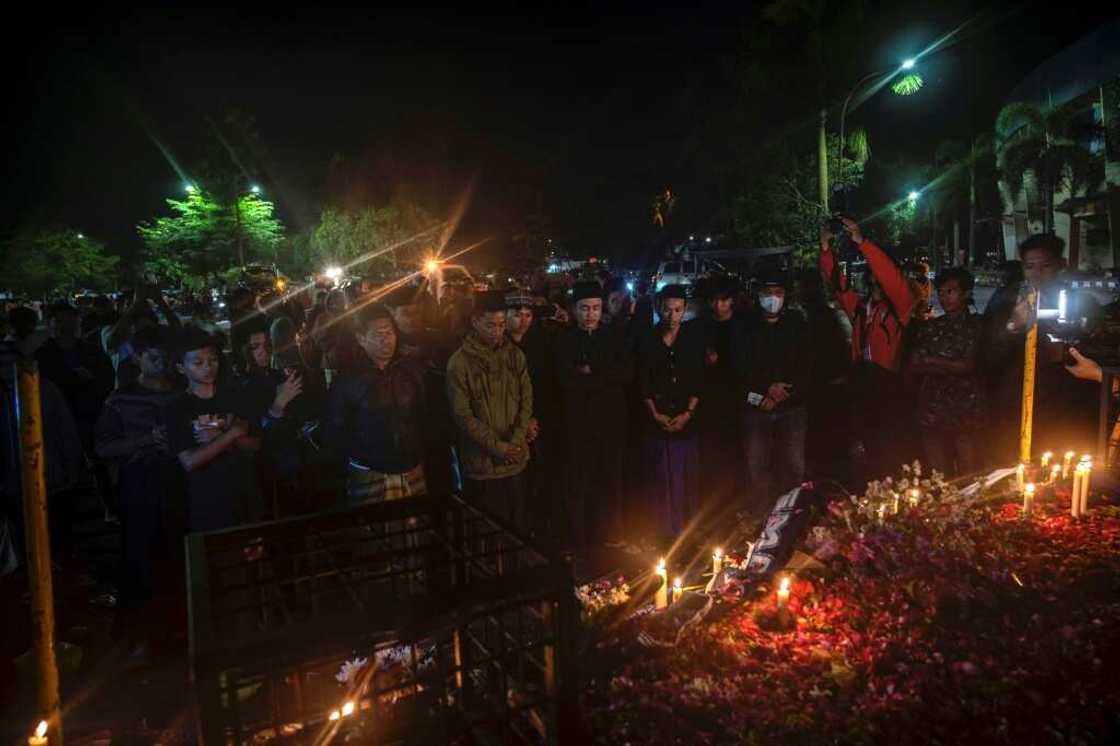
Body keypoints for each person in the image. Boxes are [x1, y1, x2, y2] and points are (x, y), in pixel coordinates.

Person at [94, 326, 181, 665]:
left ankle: (178, 630)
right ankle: (142, 637)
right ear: (136, 357)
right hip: (139, 488)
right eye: (153, 358)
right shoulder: (120, 400)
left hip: (178, 485)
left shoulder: (183, 392)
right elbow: (103, 447)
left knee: (176, 556)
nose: (161, 365)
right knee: (141, 560)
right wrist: (145, 440)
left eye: (166, 358)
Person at [983, 234, 1101, 459]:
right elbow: (987, 350)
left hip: (1065, 404)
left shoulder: (1081, 301)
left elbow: (1096, 348)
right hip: (1015, 403)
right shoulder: (1007, 300)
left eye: (1045, 266)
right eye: (1030, 267)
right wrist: (1013, 325)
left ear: (1061, 265)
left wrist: (1083, 332)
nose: (1037, 274)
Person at [820, 217, 917, 477]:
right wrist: (827, 249)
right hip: (863, 382)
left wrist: (862, 242)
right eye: (872, 277)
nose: (874, 280)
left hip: (889, 386)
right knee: (867, 446)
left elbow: (892, 279)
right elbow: (839, 287)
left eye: (878, 277)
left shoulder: (902, 307)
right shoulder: (863, 309)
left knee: (892, 448)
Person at [554, 281, 633, 553]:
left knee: (611, 481)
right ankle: (579, 540)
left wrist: (591, 372)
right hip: (578, 425)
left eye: (596, 308)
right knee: (579, 483)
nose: (591, 314)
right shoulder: (564, 339)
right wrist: (601, 376)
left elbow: (626, 373)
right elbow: (566, 380)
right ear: (574, 310)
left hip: (611, 423)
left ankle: (612, 535)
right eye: (585, 308)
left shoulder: (615, 336)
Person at [446, 291, 533, 534]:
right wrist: (498, 447)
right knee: (492, 531)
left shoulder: (515, 355)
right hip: (482, 463)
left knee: (520, 528)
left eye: (502, 324)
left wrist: (515, 441)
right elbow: (462, 415)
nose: (497, 331)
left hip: (515, 457)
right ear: (475, 322)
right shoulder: (459, 362)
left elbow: (526, 399)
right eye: (490, 325)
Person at [324, 305, 429, 503]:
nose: (386, 340)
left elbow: (422, 414)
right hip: (370, 471)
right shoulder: (349, 381)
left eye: (389, 332)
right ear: (361, 339)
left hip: (411, 466)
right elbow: (335, 430)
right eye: (378, 334)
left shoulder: (409, 371)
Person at [164, 326, 261, 533]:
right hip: (206, 498)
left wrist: (221, 438)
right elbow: (189, 460)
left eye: (213, 360)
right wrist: (232, 434)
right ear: (181, 367)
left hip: (243, 490)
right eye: (198, 363)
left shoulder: (234, 395)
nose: (208, 368)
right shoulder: (176, 407)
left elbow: (254, 444)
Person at [735, 268, 813, 513]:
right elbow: (739, 367)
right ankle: (761, 520)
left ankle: (790, 516)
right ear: (759, 295)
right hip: (757, 408)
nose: (773, 298)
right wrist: (764, 391)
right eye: (768, 293)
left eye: (778, 292)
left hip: (792, 408)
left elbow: (807, 364)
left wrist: (784, 391)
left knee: (793, 466)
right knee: (756, 465)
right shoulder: (745, 327)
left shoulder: (797, 325)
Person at [637, 284, 702, 542]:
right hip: (657, 420)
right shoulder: (647, 340)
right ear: (658, 309)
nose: (672, 315)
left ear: (684, 310)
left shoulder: (692, 340)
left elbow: (699, 379)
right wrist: (655, 414)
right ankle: (663, 533)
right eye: (667, 310)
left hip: (687, 421)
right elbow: (644, 383)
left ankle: (689, 532)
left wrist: (688, 413)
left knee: (687, 479)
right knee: (660, 480)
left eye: (677, 310)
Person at [908, 268, 987, 476]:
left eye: (950, 292)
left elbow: (967, 365)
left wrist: (932, 360)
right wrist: (950, 363)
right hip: (933, 409)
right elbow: (916, 364)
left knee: (968, 471)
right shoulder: (932, 327)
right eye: (941, 293)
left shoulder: (977, 325)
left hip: (965, 410)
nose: (944, 298)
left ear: (966, 293)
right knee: (938, 474)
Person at [795, 268, 852, 482]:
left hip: (821, 388)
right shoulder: (830, 316)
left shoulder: (808, 318)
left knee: (822, 444)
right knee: (833, 445)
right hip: (829, 387)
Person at [506, 289, 553, 540]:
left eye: (527, 315)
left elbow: (544, 385)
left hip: (537, 424)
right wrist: (521, 423)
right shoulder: (500, 347)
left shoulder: (539, 344)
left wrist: (535, 420)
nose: (523, 320)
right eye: (517, 314)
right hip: (511, 426)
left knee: (540, 480)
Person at [696, 276, 745, 514]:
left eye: (724, 300)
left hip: (736, 401)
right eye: (715, 300)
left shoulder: (743, 326)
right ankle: (713, 508)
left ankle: (734, 507)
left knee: (735, 457)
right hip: (709, 402)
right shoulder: (701, 327)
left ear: (732, 301)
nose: (719, 305)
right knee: (711, 459)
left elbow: (746, 364)